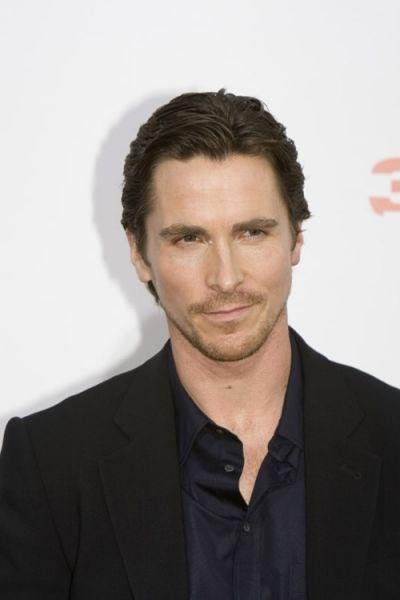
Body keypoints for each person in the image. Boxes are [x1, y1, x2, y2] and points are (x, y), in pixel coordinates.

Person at [0, 89, 399, 600]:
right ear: (139, 254)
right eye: (189, 238)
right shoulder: (51, 464)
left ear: (296, 238)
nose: (226, 278)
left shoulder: (392, 436)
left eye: (252, 232)